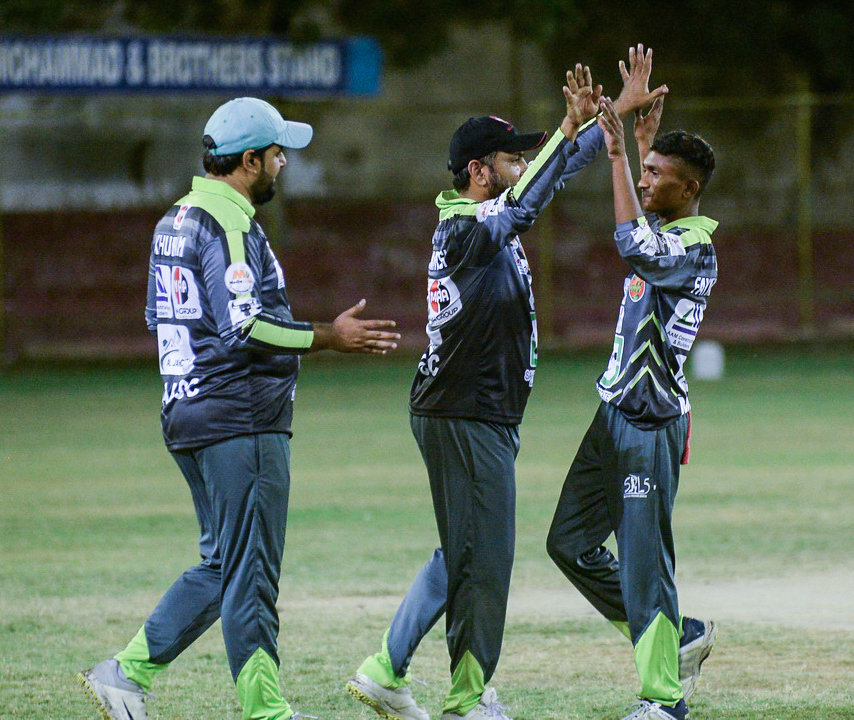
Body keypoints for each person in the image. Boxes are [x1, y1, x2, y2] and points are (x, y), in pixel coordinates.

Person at [345, 61, 667, 720]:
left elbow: (552, 175)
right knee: (486, 560)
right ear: (478, 170)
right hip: (466, 415)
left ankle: (385, 669)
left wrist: (617, 112)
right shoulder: (465, 227)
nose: (522, 165)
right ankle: (468, 701)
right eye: (511, 157)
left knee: (464, 548)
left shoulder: (483, 214)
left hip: (468, 413)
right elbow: (527, 201)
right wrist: (569, 128)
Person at [77, 97, 401, 720]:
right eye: (278, 153)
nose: (284, 164)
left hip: (189, 410)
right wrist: (329, 337)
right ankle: (265, 711)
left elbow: (160, 318)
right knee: (250, 573)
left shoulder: (176, 218)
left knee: (225, 564)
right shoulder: (228, 223)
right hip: (237, 421)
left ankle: (125, 674)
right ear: (249, 160)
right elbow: (244, 326)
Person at [545, 47, 719, 720]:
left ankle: (663, 698)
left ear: (689, 189)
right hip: (613, 412)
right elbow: (644, 228)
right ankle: (679, 635)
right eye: (645, 172)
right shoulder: (667, 222)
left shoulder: (695, 245)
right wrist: (640, 150)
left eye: (658, 176)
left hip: (650, 422)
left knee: (645, 562)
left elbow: (635, 245)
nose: (646, 181)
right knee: (568, 543)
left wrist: (619, 154)